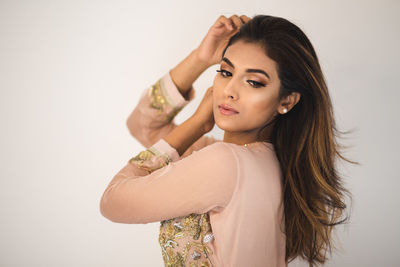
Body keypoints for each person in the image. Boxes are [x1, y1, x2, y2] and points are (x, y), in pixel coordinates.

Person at [100, 14, 355, 267]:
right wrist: (202, 57)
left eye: (254, 82)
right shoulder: (261, 161)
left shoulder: (225, 163)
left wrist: (196, 124)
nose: (229, 91)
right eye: (225, 71)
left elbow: (112, 201)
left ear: (286, 100)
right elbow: (143, 124)